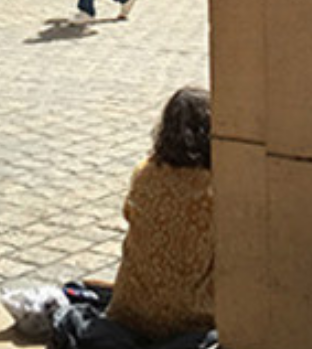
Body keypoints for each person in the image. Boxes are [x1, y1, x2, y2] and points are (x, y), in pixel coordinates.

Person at [51, 87, 216, 348]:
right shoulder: (217, 188)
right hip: (192, 320)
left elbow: (131, 217)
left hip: (129, 313)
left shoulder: (145, 174)